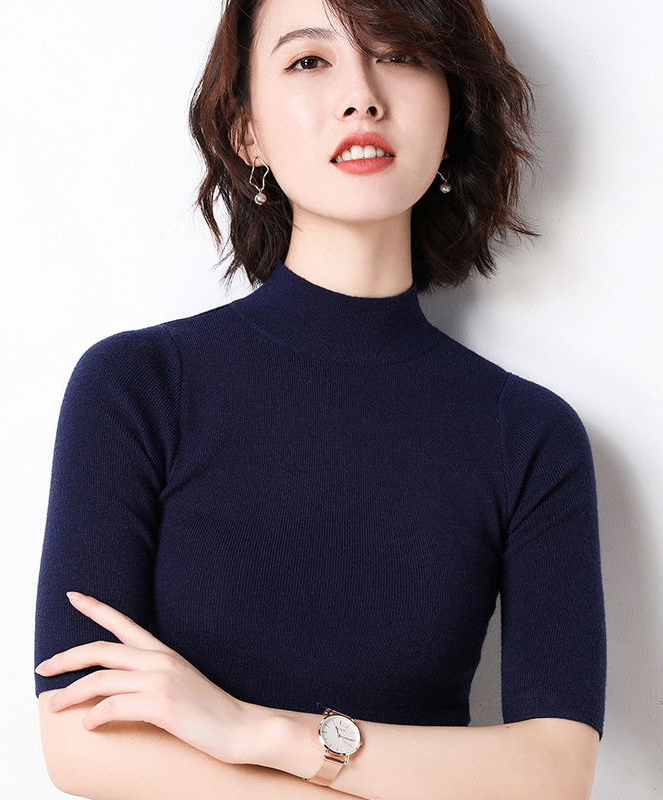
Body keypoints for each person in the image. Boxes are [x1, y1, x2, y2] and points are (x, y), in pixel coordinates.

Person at [34, 0, 606, 797]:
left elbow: (555, 770)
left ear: (453, 109)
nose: (362, 96)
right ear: (247, 132)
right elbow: (83, 742)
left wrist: (255, 731)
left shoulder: (531, 435)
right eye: (309, 60)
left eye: (400, 54)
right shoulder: (138, 387)